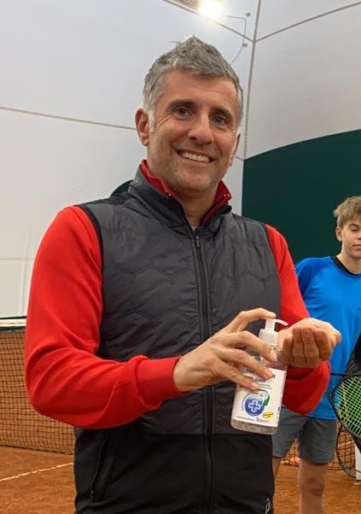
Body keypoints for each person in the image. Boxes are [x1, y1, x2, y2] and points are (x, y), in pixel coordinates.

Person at [24, 36, 341, 514]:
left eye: (221, 119)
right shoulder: (83, 230)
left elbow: (304, 389)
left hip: (247, 504)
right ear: (144, 124)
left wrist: (304, 356)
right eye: (183, 110)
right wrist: (174, 374)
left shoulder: (268, 243)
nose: (202, 132)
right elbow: (52, 379)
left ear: (234, 142)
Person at [272, 196, 361, 514]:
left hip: (326, 401)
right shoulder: (312, 269)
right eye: (354, 229)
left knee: (315, 484)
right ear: (340, 232)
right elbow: (278, 311)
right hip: (286, 392)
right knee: (261, 477)